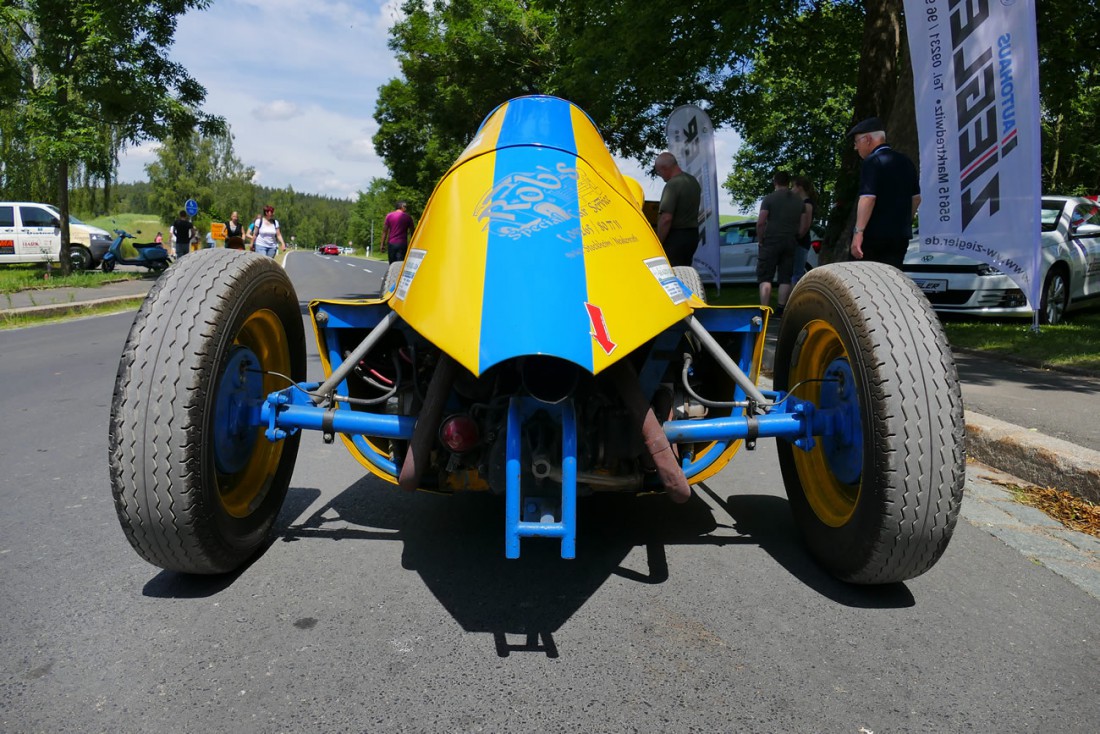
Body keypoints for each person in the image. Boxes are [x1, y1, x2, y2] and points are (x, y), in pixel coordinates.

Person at [848, 117, 921, 268]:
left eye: (856, 142)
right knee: (891, 281)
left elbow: (868, 197)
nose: (856, 147)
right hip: (899, 237)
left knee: (864, 282)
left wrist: (858, 232)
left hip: (873, 237)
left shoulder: (872, 161)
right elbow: (916, 198)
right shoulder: (906, 161)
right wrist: (903, 222)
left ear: (867, 139)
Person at [755, 171, 807, 314]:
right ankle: (780, 308)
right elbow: (803, 226)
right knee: (785, 276)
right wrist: (796, 236)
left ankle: (764, 309)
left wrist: (761, 240)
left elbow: (761, 222)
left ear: (775, 182)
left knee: (766, 276)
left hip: (771, 241)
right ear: (788, 182)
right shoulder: (798, 201)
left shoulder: (769, 199)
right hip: (790, 241)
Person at [653, 152, 702, 266]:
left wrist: (658, 243)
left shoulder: (672, 185)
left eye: (659, 172)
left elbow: (666, 218)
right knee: (685, 271)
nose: (660, 175)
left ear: (665, 168)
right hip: (692, 236)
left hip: (675, 238)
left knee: (672, 273)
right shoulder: (693, 181)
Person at [790, 175, 816, 286]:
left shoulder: (807, 204)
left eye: (793, 186)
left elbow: (805, 226)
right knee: (793, 272)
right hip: (797, 241)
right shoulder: (801, 203)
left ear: (799, 187)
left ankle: (795, 300)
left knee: (797, 273)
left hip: (800, 243)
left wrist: (797, 237)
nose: (792, 189)